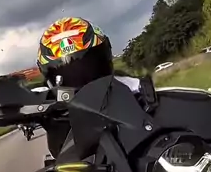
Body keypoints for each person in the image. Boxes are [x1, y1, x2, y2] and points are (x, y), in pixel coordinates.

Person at [37, 16, 139, 157]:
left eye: (90, 68)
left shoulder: (130, 86)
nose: (81, 81)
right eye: (69, 75)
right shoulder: (50, 103)